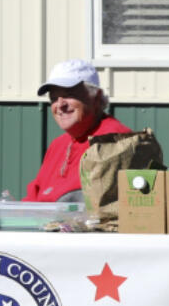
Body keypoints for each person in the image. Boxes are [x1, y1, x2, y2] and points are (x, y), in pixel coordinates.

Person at [25, 59, 130, 202]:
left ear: (96, 98)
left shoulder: (114, 140)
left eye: (69, 95)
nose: (60, 105)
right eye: (54, 98)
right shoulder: (58, 144)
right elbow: (33, 199)